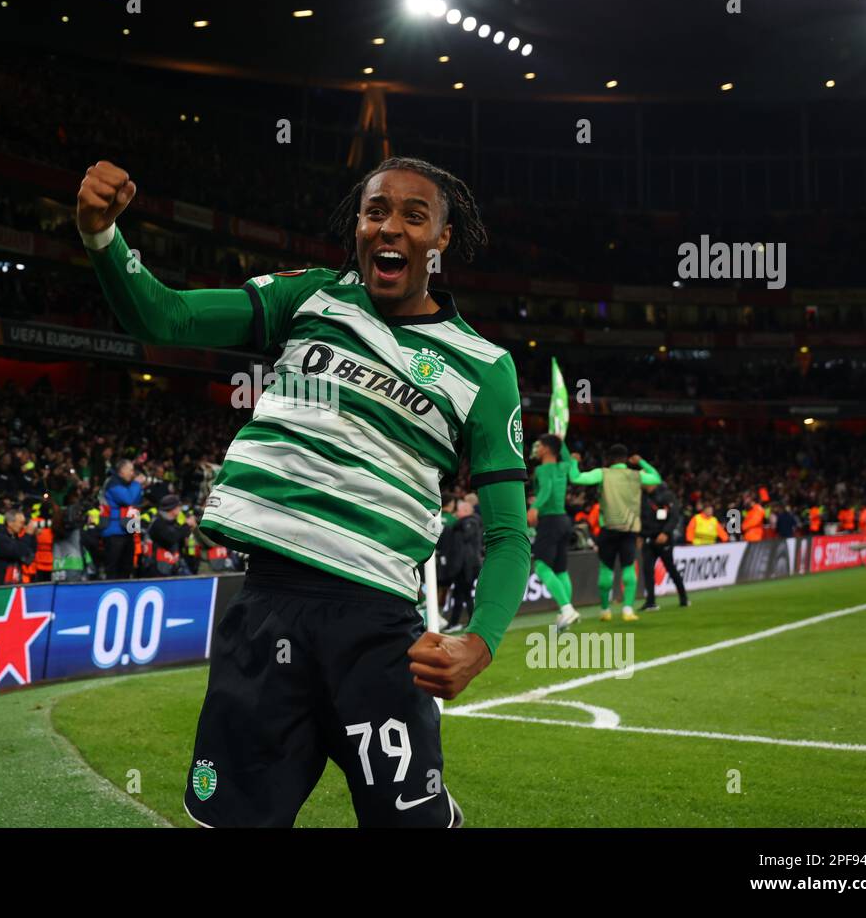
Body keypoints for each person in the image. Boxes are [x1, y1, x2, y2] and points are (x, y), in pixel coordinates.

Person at [80, 155, 530, 828]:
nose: (391, 227)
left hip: (376, 632)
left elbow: (508, 534)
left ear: (442, 238)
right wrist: (101, 237)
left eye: (414, 215)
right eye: (376, 210)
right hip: (262, 611)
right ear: (357, 223)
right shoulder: (310, 297)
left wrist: (483, 638)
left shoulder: (486, 368)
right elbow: (166, 318)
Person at [570, 445, 661, 622]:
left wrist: (573, 462)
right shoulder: (636, 475)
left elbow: (576, 478)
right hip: (629, 530)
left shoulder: (602, 473)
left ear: (609, 459)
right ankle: (627, 610)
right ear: (626, 459)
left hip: (609, 529)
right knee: (628, 568)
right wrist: (641, 461)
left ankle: (605, 610)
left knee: (606, 570)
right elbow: (656, 478)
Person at [527, 433, 579, 632]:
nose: (537, 449)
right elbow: (566, 457)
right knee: (560, 569)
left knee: (541, 567)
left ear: (547, 449)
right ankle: (567, 614)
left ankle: (567, 609)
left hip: (550, 521)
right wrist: (561, 441)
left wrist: (535, 507)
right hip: (564, 520)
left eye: (539, 445)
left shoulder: (543, 469)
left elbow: (546, 489)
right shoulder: (564, 467)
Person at [639, 479, 688, 611]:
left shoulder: (666, 495)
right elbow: (642, 517)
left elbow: (674, 516)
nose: (643, 484)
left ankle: (684, 598)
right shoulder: (643, 497)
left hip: (663, 539)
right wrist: (641, 535)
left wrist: (666, 532)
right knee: (647, 570)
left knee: (670, 568)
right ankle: (650, 602)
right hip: (649, 538)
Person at [443, 498, 482, 632]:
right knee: (461, 595)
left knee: (464, 594)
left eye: (459, 511)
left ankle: (469, 623)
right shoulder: (467, 523)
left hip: (467, 566)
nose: (456, 514)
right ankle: (456, 623)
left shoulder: (471, 522)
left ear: (466, 511)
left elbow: (466, 535)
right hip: (465, 566)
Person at [100, 459, 143, 580]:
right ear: (122, 471)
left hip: (128, 530)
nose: (132, 473)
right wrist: (136, 484)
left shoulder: (126, 484)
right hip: (114, 532)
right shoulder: (113, 483)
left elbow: (137, 502)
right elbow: (128, 499)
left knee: (127, 568)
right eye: (130, 470)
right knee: (113, 569)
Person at [144, 494, 191, 576]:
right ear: (173, 509)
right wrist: (186, 525)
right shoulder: (158, 523)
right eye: (178, 506)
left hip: (172, 564)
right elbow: (171, 538)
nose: (180, 509)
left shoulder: (172, 522)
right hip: (158, 568)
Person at [0, 510, 37, 585]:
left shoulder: (14, 537)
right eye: (21, 523)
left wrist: (32, 536)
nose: (23, 526)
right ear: (10, 523)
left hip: (13, 583)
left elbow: (29, 556)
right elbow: (18, 552)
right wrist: (28, 534)